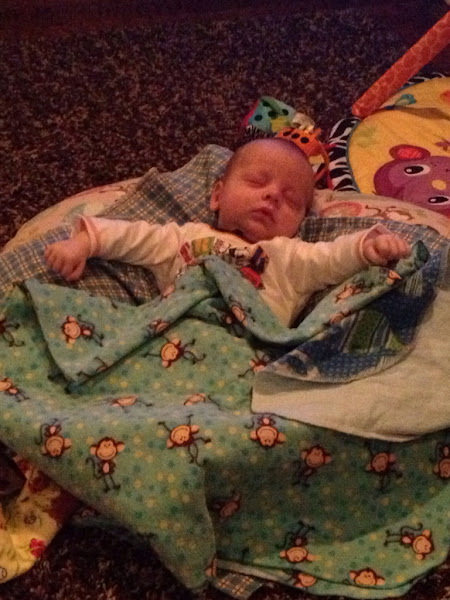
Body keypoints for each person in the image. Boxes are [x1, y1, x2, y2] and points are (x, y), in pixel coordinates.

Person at [44, 138, 411, 327]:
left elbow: (331, 257)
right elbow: (131, 236)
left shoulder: (289, 257)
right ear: (217, 195)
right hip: (168, 343)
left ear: (299, 224)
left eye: (290, 200)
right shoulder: (184, 238)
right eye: (257, 182)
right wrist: (82, 243)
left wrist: (369, 246)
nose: (272, 195)